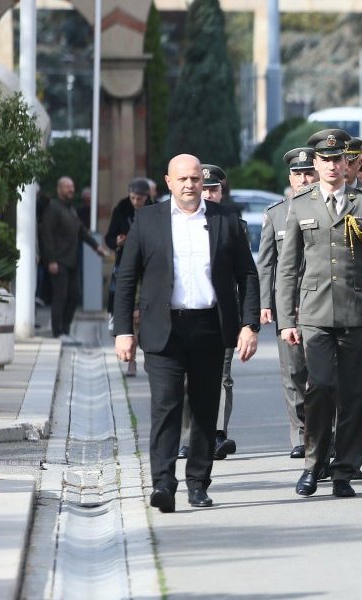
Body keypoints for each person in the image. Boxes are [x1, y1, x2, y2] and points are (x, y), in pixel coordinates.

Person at [113, 154, 260, 513]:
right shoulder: (148, 220)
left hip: (210, 326)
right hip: (164, 329)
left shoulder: (225, 220)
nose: (190, 185)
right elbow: (127, 277)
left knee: (205, 408)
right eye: (183, 179)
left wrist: (249, 324)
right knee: (166, 407)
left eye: (195, 179)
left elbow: (247, 274)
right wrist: (122, 331)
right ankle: (163, 483)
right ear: (168, 182)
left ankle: (198, 483)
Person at [276, 128, 362, 498]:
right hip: (314, 312)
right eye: (324, 160)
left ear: (349, 164)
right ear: (316, 163)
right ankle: (314, 463)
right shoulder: (302, 203)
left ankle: (344, 469)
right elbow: (288, 267)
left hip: (356, 312)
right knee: (321, 387)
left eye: (338, 160)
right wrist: (286, 320)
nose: (331, 166)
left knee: (353, 393)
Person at [257, 148, 317, 459]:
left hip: (321, 301)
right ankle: (300, 433)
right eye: (299, 174)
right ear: (290, 178)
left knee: (321, 373)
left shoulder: (329, 207)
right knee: (293, 371)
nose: (305, 179)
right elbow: (266, 263)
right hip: (289, 304)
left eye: (309, 172)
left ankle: (323, 433)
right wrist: (266, 302)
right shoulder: (276, 213)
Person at [181, 165, 241, 461]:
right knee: (186, 380)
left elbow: (245, 274)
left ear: (221, 192)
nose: (208, 193)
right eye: (204, 188)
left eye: (213, 189)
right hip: (187, 313)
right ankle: (186, 437)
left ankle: (217, 433)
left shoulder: (232, 223)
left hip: (222, 313)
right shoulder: (178, 222)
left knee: (222, 376)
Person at [40, 176, 108, 342]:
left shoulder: (70, 209)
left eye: (72, 186)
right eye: (67, 187)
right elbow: (46, 235)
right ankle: (57, 332)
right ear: (59, 189)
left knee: (74, 295)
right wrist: (50, 260)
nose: (71, 189)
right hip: (58, 261)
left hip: (72, 261)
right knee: (60, 296)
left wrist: (96, 246)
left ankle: (65, 329)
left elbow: (81, 230)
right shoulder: (53, 208)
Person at [105, 178, 153, 376]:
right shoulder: (121, 209)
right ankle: (131, 360)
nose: (136, 202)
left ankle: (149, 357)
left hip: (148, 266)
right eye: (133, 198)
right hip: (125, 264)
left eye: (140, 198)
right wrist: (117, 241)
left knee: (147, 314)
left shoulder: (154, 210)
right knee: (127, 310)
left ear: (147, 197)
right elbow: (109, 237)